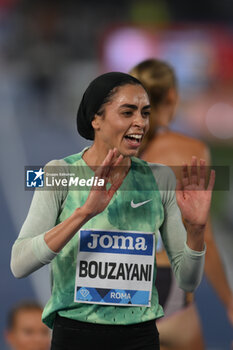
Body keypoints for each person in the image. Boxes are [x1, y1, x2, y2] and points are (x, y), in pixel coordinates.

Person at [11, 72, 215, 350]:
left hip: (140, 337)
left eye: (145, 113)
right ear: (96, 119)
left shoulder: (160, 179)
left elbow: (188, 281)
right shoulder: (59, 173)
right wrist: (84, 213)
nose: (140, 123)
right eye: (127, 112)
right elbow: (19, 264)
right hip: (75, 334)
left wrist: (196, 231)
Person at [130, 59, 233, 350]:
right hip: (165, 284)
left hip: (115, 284)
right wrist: (229, 300)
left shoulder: (111, 147)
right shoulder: (189, 151)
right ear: (172, 97)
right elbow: (204, 239)